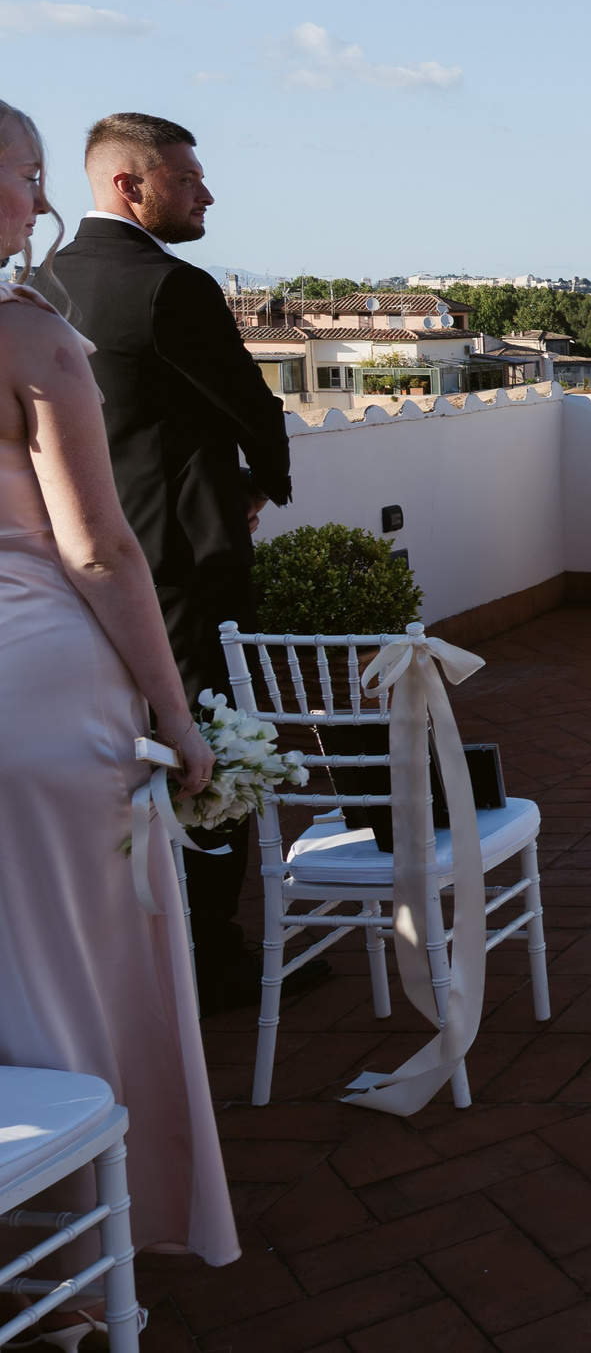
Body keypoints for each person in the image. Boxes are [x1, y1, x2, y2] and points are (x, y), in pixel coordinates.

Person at [0, 99, 237, 1277]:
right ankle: (82, 1257)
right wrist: (180, 719)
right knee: (77, 968)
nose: (38, 201)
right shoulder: (26, 337)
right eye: (25, 175)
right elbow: (98, 547)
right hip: (37, 683)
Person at [48, 113, 316, 1015]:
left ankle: (122, 950)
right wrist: (261, 485)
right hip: (183, 565)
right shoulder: (174, 287)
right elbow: (253, 403)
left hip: (65, 568)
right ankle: (213, 958)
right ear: (132, 184)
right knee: (208, 752)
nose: (207, 194)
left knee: (105, 754)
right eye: (190, 179)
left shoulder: (37, 284)